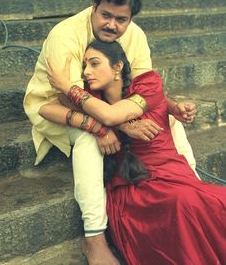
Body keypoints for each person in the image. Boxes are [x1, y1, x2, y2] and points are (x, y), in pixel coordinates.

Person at [23, 0, 197, 265]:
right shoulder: (63, 35)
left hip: (112, 106)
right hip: (58, 107)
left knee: (169, 120)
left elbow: (143, 85)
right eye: (105, 15)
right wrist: (110, 126)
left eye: (121, 19)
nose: (112, 25)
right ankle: (94, 240)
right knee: (91, 139)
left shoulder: (135, 34)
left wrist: (172, 107)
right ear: (94, 7)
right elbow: (67, 96)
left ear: (130, 18)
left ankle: (191, 186)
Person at [40, 40, 226, 265]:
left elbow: (112, 115)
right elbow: (45, 108)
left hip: (172, 176)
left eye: (94, 64)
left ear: (117, 67)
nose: (87, 72)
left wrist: (67, 85)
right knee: (183, 202)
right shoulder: (92, 100)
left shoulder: (148, 84)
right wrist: (96, 126)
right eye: (84, 66)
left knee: (211, 202)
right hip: (132, 190)